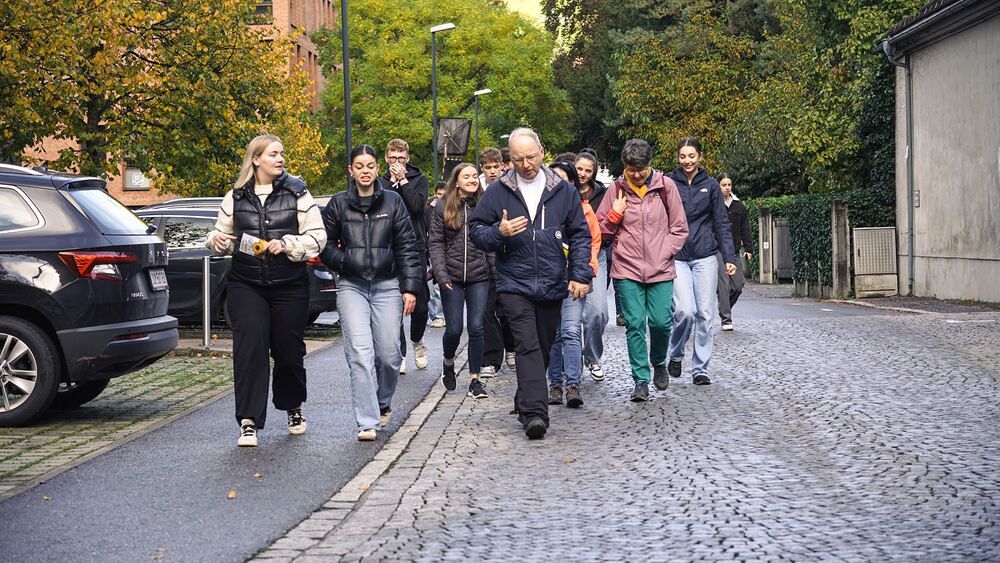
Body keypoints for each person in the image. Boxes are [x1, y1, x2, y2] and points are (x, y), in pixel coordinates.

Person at [469, 127, 592, 440]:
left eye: (531, 157)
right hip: (514, 282)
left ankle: (525, 397)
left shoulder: (563, 190)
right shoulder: (498, 191)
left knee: (544, 347)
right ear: (510, 159)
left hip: (552, 281)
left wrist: (580, 274)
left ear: (542, 153)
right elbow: (476, 231)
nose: (526, 164)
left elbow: (580, 234)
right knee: (527, 345)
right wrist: (499, 233)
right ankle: (536, 414)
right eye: (518, 159)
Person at [206, 134, 327, 447]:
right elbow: (220, 236)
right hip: (246, 284)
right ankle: (248, 421)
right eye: (273, 154)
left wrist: (288, 243)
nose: (280, 158)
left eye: (281, 153)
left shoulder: (297, 191)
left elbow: (318, 237)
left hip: (290, 284)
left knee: (289, 352)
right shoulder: (235, 196)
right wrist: (216, 240)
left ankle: (292, 405)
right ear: (256, 159)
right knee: (250, 349)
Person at [321, 145, 422, 441]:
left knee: (390, 355)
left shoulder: (393, 201)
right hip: (351, 286)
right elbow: (324, 244)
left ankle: (382, 402)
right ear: (350, 170)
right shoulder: (338, 203)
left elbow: (407, 246)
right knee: (360, 353)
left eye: (370, 166)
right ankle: (367, 421)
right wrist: (345, 261)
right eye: (359, 166)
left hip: (387, 284)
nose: (365, 171)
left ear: (378, 168)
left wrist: (410, 287)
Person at [596, 139, 688, 400]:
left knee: (660, 322)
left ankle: (658, 361)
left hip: (660, 267)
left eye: (641, 169)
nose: (636, 175)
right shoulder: (616, 190)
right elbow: (600, 230)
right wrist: (614, 215)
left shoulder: (665, 187)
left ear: (650, 165)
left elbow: (679, 227)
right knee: (635, 324)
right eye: (630, 169)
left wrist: (666, 251)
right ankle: (640, 380)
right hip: (627, 268)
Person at [666, 137, 737, 386]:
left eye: (691, 156)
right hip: (677, 256)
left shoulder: (711, 186)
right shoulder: (668, 183)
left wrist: (729, 257)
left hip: (705, 255)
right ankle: (675, 353)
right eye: (683, 156)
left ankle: (700, 368)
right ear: (678, 157)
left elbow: (721, 223)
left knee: (705, 314)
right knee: (685, 311)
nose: (687, 160)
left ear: (700, 157)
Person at [428, 163, 492, 399]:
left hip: (479, 275)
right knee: (454, 329)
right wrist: (441, 274)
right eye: (467, 176)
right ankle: (448, 361)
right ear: (456, 182)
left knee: (476, 326)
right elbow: (435, 243)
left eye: (475, 175)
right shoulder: (443, 206)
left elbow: (491, 240)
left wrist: (493, 271)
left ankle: (475, 380)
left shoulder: (485, 204)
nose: (473, 179)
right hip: (451, 276)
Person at [546, 161, 601, 408]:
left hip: (574, 279)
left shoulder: (584, 209)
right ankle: (555, 384)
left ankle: (572, 385)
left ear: (572, 183)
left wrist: (585, 276)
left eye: (563, 179)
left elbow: (591, 244)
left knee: (570, 330)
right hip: (548, 280)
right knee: (555, 333)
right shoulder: (541, 208)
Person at [382, 139, 431, 374]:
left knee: (420, 306)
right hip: (388, 248)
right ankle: (399, 352)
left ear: (408, 159)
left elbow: (417, 206)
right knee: (394, 305)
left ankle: (417, 340)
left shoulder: (419, 180)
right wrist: (392, 183)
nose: (397, 162)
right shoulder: (380, 182)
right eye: (393, 158)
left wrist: (403, 181)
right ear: (386, 159)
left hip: (414, 246)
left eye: (401, 158)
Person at [480, 148, 517, 378]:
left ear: (502, 166)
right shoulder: (476, 188)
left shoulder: (510, 187)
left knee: (507, 309)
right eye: (488, 168)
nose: (493, 171)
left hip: (505, 254)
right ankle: (491, 358)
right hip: (481, 256)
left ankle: (511, 347)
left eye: (496, 167)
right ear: (482, 168)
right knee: (486, 310)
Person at [575, 149, 611, 382]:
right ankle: (571, 359)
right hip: (569, 256)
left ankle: (592, 356)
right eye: (579, 169)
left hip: (597, 255)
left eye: (588, 170)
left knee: (598, 312)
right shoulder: (565, 190)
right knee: (570, 315)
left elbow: (608, 224)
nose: (583, 174)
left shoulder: (602, 194)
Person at [717, 173, 754, 331]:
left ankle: (723, 306)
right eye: (724, 185)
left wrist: (749, 248)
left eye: (729, 185)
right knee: (724, 285)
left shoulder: (739, 206)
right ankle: (726, 319)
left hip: (734, 250)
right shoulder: (714, 204)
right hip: (718, 250)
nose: (727, 188)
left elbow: (745, 228)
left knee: (738, 285)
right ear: (718, 186)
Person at [427, 182, 446, 329]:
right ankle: (434, 315)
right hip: (428, 250)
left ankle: (439, 315)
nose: (441, 197)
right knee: (429, 287)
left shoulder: (450, 208)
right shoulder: (428, 209)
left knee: (439, 286)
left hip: (443, 251)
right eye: (439, 194)